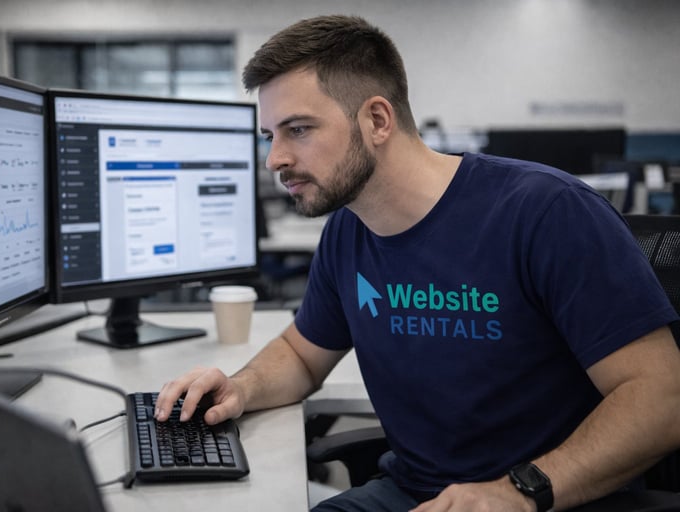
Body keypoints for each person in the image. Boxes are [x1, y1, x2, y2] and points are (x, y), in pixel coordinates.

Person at [155, 14, 680, 512]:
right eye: (271, 136)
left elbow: (661, 397)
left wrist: (519, 491)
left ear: (377, 119)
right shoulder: (349, 229)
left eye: (298, 130)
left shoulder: (544, 212)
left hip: (547, 497)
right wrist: (241, 387)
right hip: (411, 493)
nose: (275, 160)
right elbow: (300, 354)